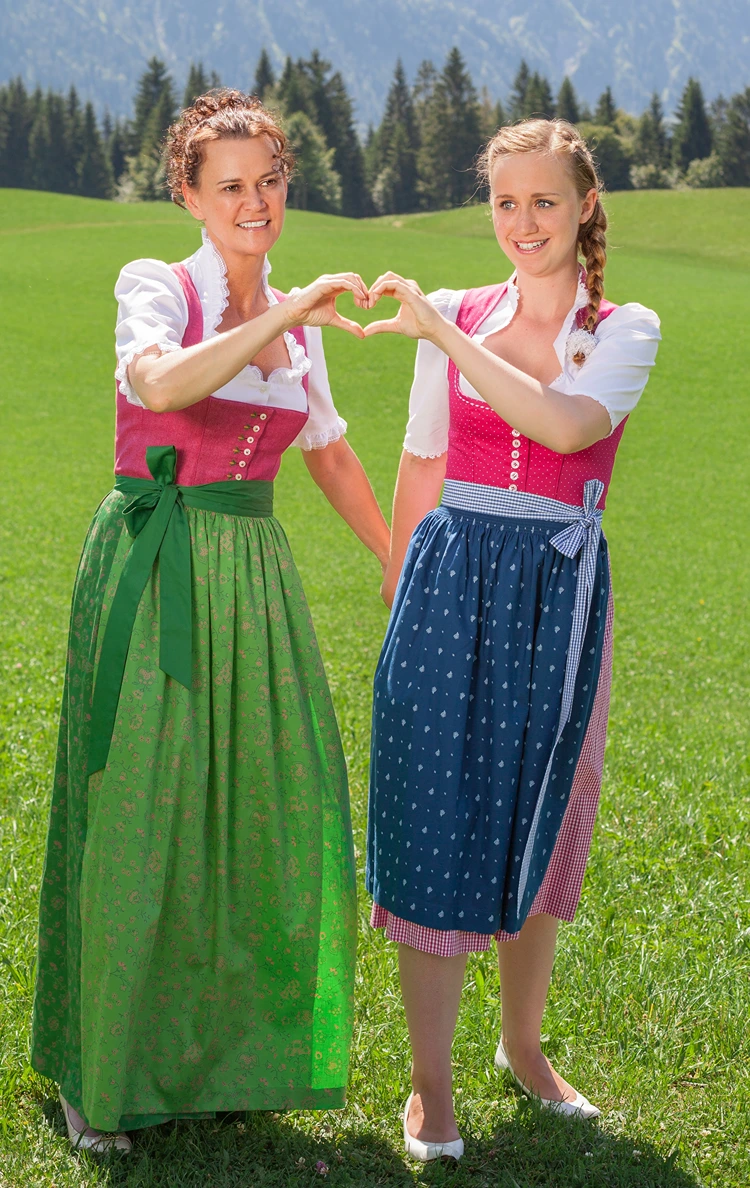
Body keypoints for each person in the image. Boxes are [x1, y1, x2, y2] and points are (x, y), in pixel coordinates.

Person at [31, 89, 390, 1153]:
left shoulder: (297, 323)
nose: (255, 201)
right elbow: (162, 380)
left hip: (254, 574)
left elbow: (325, 449)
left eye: (270, 180)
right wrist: (280, 315)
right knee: (144, 805)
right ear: (186, 193)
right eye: (229, 184)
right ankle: (100, 1073)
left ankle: (223, 1057)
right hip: (158, 566)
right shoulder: (157, 287)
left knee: (254, 811)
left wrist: (392, 551)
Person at [364, 118, 660, 1162]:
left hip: (558, 588)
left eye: (543, 201)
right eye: (503, 202)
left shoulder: (625, 328)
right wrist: (401, 603)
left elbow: (569, 427)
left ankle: (524, 1049)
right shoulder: (458, 311)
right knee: (438, 817)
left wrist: (442, 337)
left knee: (541, 804)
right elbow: (419, 466)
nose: (522, 223)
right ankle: (430, 1091)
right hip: (449, 579)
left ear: (586, 205)